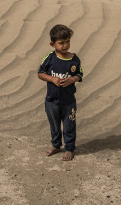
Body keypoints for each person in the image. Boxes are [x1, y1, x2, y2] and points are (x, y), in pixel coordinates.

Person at [37, 24, 83, 161]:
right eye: (61, 43)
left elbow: (80, 75)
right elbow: (40, 74)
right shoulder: (49, 58)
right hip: (51, 101)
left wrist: (71, 80)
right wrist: (52, 79)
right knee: (54, 125)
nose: (65, 45)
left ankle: (69, 148)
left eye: (67, 41)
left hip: (69, 102)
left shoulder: (74, 59)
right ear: (53, 44)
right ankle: (56, 145)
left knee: (69, 126)